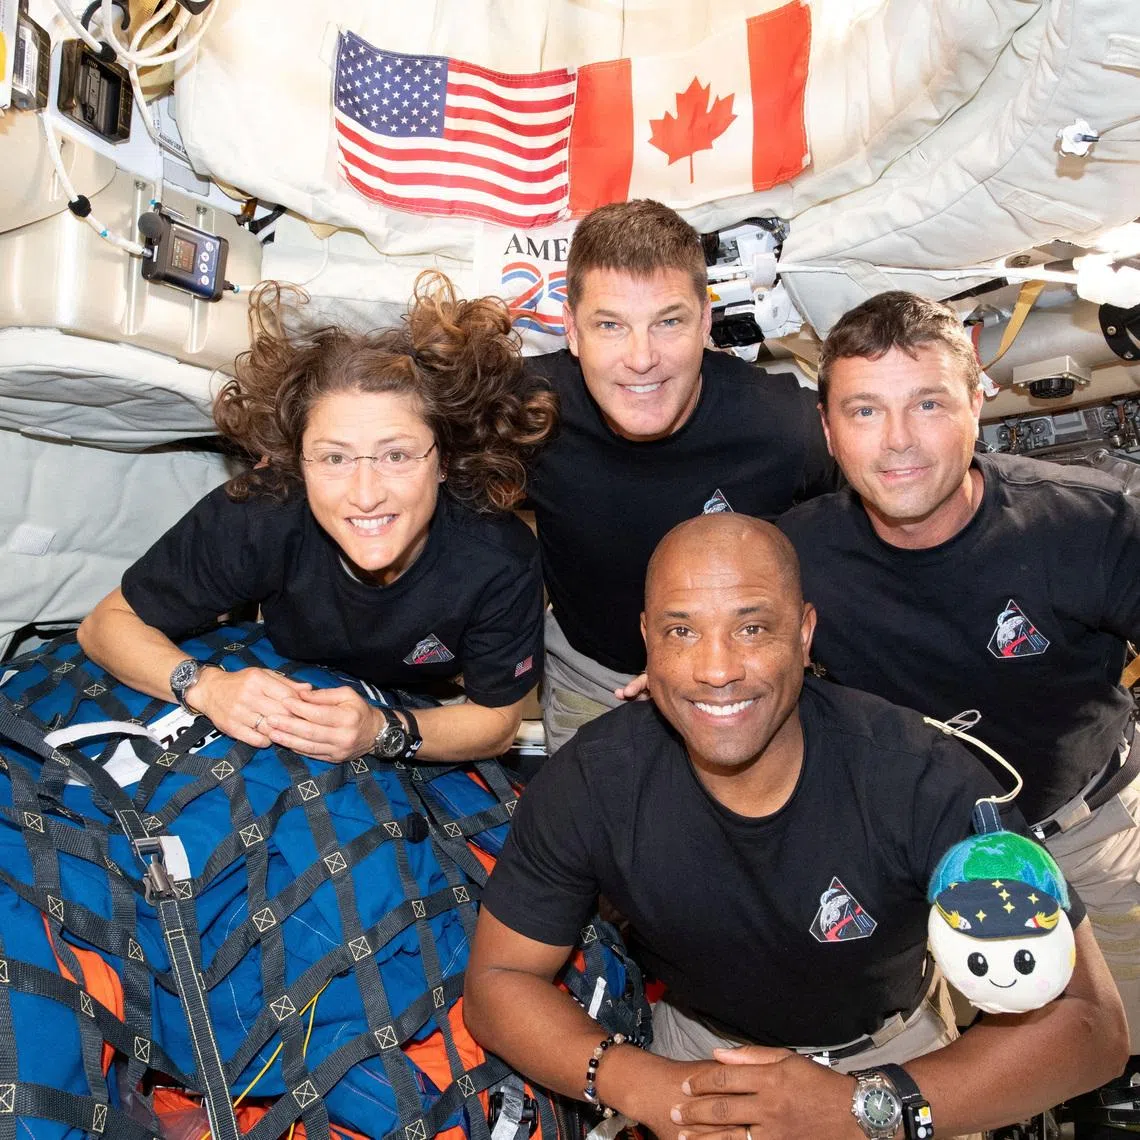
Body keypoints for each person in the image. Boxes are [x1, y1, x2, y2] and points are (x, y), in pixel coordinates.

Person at [464, 514, 1127, 1140]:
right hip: (695, 1059)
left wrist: (862, 1106)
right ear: (647, 640)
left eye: (752, 629)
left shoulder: (924, 780)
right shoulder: (590, 782)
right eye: (681, 631)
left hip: (895, 1060)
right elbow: (498, 983)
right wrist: (638, 1082)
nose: (717, 669)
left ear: (805, 634)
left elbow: (1091, 1024)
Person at [777, 291, 1140, 1058]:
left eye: (930, 403)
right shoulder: (789, 558)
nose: (899, 442)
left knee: (1122, 1038)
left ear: (980, 403)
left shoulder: (1088, 522)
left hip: (1087, 838)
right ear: (829, 431)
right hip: (906, 862)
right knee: (947, 1072)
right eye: (865, 411)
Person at [77, 273, 554, 764]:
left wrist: (382, 730)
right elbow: (104, 626)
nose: (365, 495)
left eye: (396, 456)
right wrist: (205, 687)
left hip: (425, 710)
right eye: (333, 459)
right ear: (297, 463)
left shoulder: (499, 557)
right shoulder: (263, 512)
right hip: (279, 680)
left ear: (445, 461)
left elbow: (496, 723)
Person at [524, 199, 836, 753]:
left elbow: (876, 536)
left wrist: (793, 652)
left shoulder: (784, 427)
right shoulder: (526, 412)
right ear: (572, 331)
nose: (641, 358)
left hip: (738, 683)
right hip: (593, 680)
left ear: (705, 323)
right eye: (610, 325)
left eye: (668, 321)